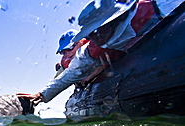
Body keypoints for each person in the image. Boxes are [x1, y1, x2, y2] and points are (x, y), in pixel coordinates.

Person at [17, 0, 162, 106]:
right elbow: (70, 75)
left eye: (96, 31)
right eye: (90, 33)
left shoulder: (155, 8)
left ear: (115, 20)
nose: (92, 37)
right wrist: (42, 94)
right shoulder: (91, 50)